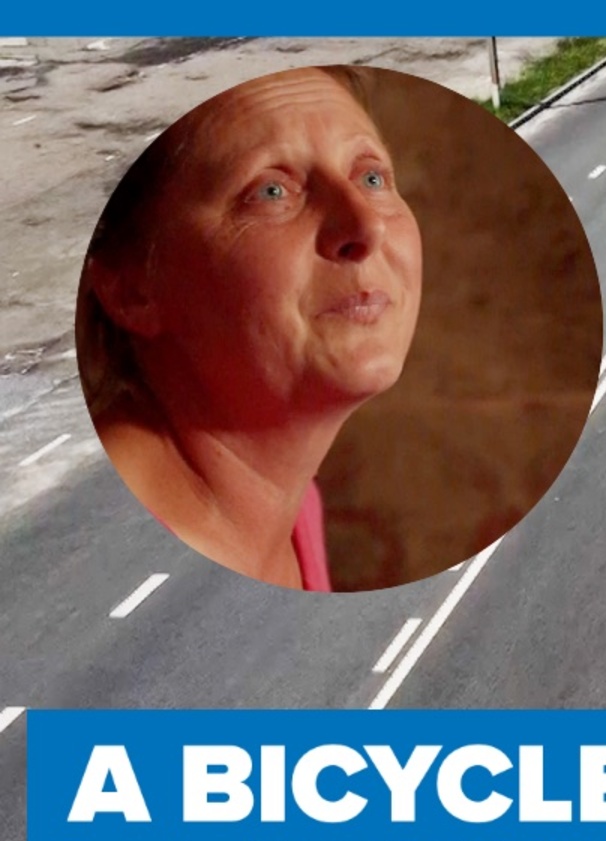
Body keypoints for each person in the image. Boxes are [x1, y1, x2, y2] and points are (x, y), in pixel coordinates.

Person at [75, 66, 424, 592]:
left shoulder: (295, 507)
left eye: (371, 178)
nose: (365, 225)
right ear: (131, 290)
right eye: (271, 191)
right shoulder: (100, 563)